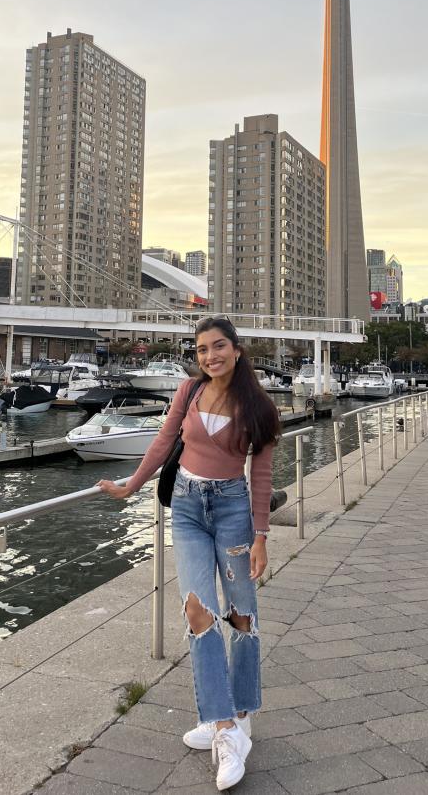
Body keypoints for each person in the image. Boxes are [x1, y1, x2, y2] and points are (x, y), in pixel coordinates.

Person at [97, 317, 279, 791]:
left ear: (237, 350)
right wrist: (130, 485)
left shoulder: (260, 406)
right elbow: (163, 443)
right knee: (198, 612)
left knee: (241, 615)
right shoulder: (189, 392)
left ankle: (240, 717)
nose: (209, 356)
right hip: (187, 508)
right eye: (201, 349)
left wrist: (261, 536)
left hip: (234, 510)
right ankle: (222, 726)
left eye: (218, 346)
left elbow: (260, 478)